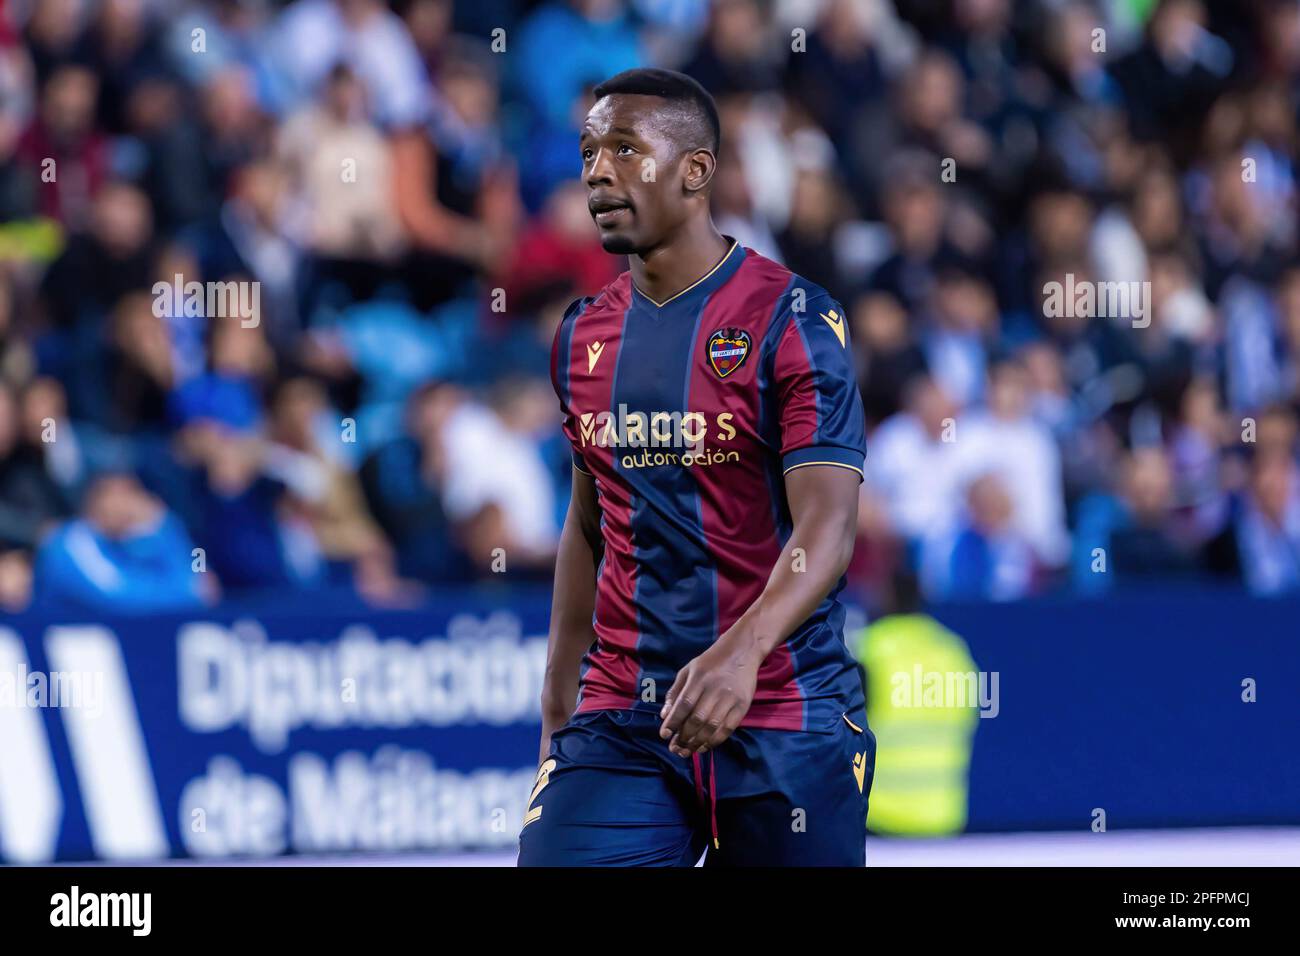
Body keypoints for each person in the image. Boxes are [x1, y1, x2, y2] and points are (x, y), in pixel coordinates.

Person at [518, 69, 874, 867]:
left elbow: (829, 523)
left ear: (696, 171)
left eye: (625, 149)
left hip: (785, 709)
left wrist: (740, 654)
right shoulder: (581, 335)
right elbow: (588, 526)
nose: (597, 172)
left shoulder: (793, 319)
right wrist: (557, 703)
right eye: (587, 153)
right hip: (623, 721)